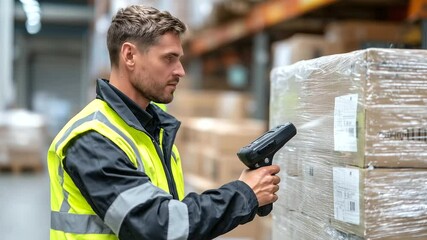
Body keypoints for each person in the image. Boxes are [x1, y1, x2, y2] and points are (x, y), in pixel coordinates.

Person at [47, 4, 280, 240]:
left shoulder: (152, 129)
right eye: (169, 58)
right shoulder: (92, 139)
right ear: (129, 56)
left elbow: (171, 212)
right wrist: (244, 193)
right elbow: (157, 226)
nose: (180, 71)